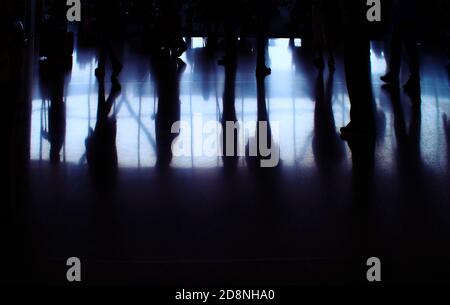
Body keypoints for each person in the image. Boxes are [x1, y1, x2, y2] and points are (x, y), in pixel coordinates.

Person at [339, 0, 376, 139]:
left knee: (355, 77)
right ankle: (363, 122)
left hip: (353, 26)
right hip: (359, 26)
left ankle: (359, 123)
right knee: (360, 75)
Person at [380, 0, 420, 92]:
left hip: (405, 17)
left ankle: (395, 74)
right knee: (406, 47)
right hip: (406, 16)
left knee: (401, 46)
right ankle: (411, 77)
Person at [95, 0, 123, 79]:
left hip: (104, 14)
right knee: (104, 40)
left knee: (103, 40)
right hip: (108, 14)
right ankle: (112, 63)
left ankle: (104, 66)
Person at [311, 0, 337, 71]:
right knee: (327, 33)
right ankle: (330, 58)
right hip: (328, 8)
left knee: (319, 33)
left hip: (319, 7)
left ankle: (321, 59)